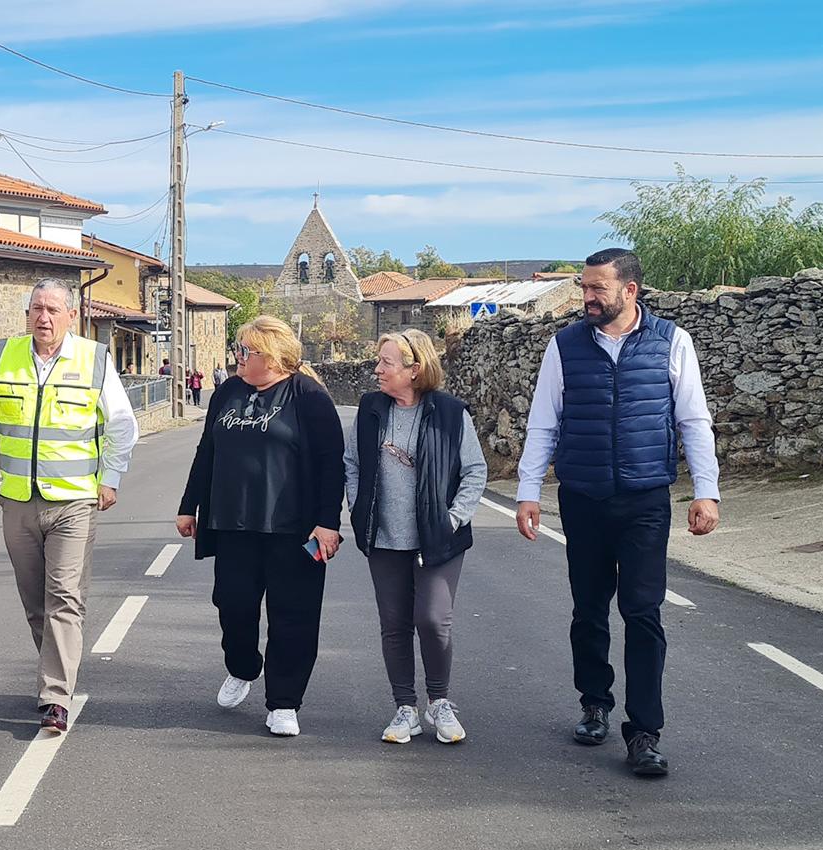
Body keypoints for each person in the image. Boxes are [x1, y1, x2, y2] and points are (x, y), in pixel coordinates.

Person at [515, 248, 720, 778]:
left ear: (630, 291)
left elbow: (693, 420)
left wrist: (707, 490)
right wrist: (528, 491)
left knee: (643, 613)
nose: (585, 297)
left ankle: (645, 731)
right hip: (582, 499)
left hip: (645, 501)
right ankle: (594, 703)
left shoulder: (672, 342)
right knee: (588, 610)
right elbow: (544, 421)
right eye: (583, 288)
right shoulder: (564, 347)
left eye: (595, 289)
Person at [0, 278, 139, 734]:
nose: (43, 317)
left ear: (71, 316)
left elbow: (122, 424)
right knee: (35, 602)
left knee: (63, 596)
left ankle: (55, 696)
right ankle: (58, 671)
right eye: (36, 308)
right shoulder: (3, 356)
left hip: (74, 501)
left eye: (53, 309)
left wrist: (111, 478)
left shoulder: (94, 359)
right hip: (18, 501)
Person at [177, 316, 344, 737]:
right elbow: (207, 450)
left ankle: (284, 702)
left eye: (244, 350)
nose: (237, 356)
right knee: (232, 605)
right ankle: (242, 667)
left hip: (295, 531)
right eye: (238, 348)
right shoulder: (228, 393)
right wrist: (188, 505)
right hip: (233, 524)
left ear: (269, 357)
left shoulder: (309, 397)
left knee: (294, 617)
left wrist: (328, 523)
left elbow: (331, 467)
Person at [345, 330, 487, 745]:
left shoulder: (449, 412)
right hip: (384, 537)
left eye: (386, 362)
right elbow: (350, 462)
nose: (377, 370)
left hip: (438, 539)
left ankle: (439, 702)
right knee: (394, 624)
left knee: (432, 620)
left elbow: (475, 471)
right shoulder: (371, 409)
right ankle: (405, 708)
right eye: (378, 361)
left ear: (414, 369)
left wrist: (453, 519)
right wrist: (359, 506)